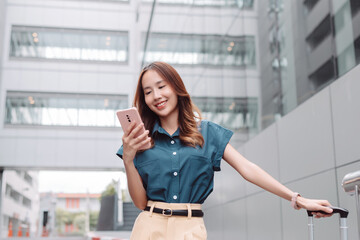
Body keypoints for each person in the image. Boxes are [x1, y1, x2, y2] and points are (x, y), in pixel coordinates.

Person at [116, 61, 333, 240]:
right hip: (149, 229)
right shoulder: (140, 140)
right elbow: (140, 203)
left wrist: (297, 198)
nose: (156, 96)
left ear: (176, 87)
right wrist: (128, 159)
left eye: (161, 86)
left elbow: (247, 168)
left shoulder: (208, 133)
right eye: (148, 92)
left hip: (189, 230)